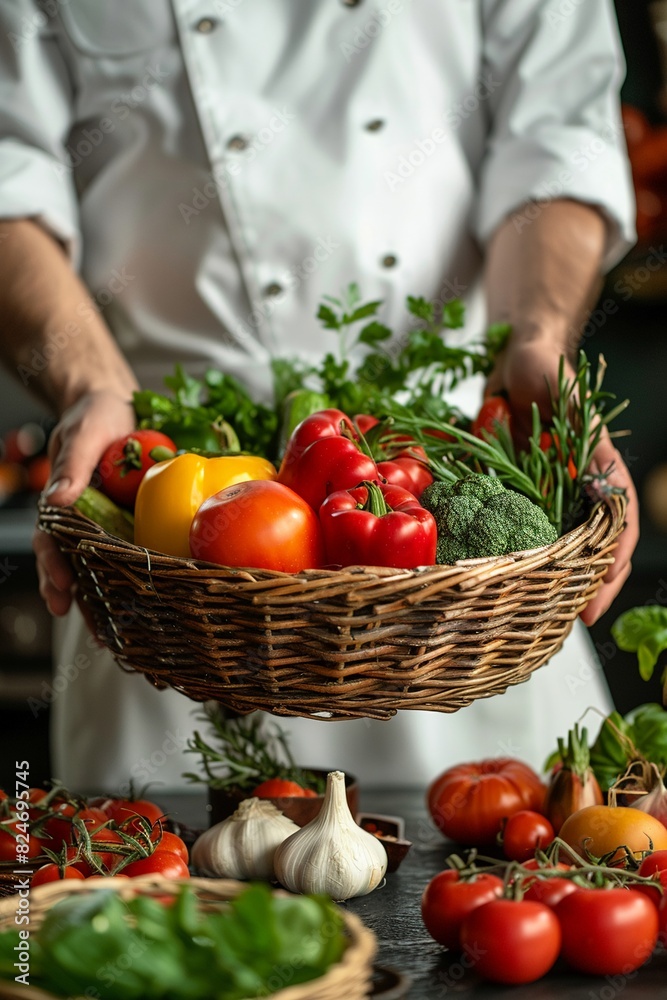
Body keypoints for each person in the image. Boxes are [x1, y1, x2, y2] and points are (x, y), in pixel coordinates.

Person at [0, 0, 638, 792]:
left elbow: (557, 138)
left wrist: (534, 344)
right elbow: (7, 181)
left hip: (463, 573)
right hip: (163, 557)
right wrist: (88, 382)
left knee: (518, 852)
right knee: (152, 882)